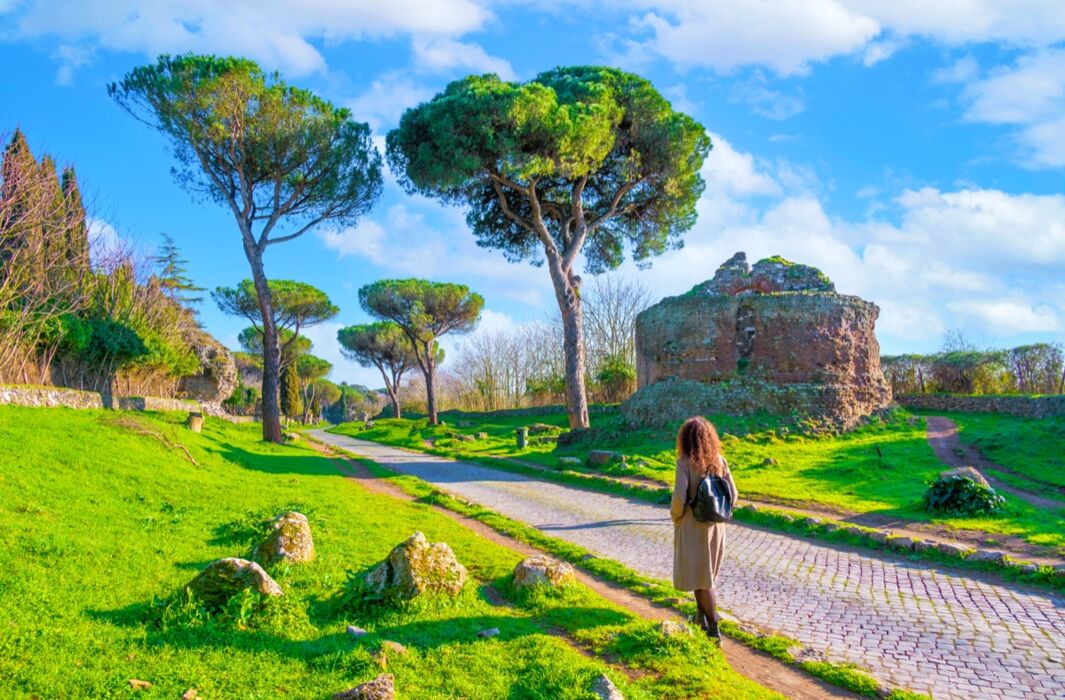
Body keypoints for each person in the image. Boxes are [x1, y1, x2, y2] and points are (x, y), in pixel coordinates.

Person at [670, 416, 738, 640]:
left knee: (701, 579)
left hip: (693, 526)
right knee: (704, 577)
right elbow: (734, 495)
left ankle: (714, 627)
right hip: (716, 527)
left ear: (686, 438)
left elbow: (679, 497)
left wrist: (676, 516)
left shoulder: (684, 461)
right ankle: (700, 619)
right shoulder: (720, 460)